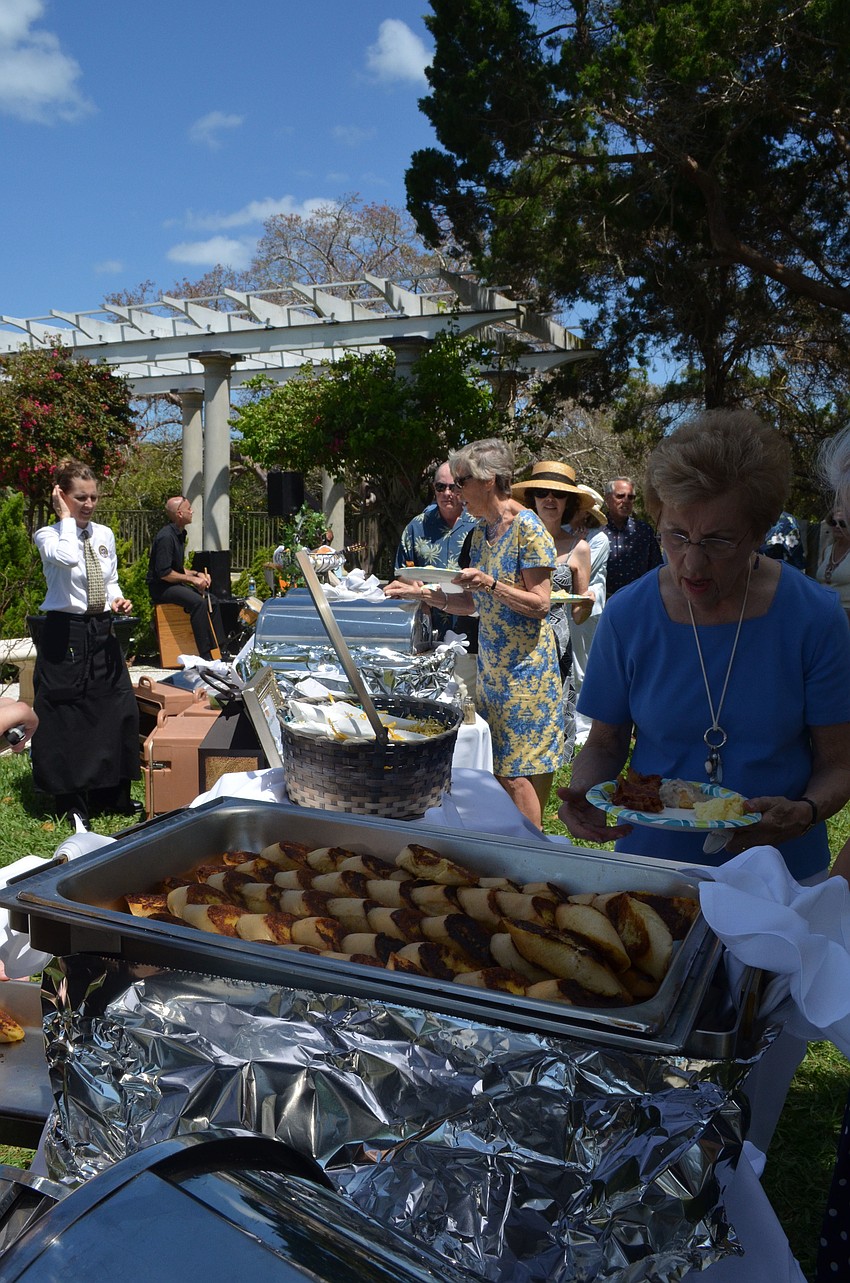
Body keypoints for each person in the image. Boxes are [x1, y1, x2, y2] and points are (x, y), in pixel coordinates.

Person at [558, 410, 850, 877]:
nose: (691, 564)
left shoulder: (813, 617)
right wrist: (585, 792)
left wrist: (807, 811)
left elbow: (840, 762)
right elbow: (606, 742)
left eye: (717, 541)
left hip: (778, 873)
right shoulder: (630, 614)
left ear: (759, 531)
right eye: (676, 536)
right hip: (653, 871)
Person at [387, 439, 563, 828]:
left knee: (517, 777)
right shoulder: (484, 532)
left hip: (526, 674)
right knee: (501, 773)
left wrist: (490, 584)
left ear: (488, 481)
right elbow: (475, 603)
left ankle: (528, 857)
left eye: (462, 481)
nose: (456, 492)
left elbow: (540, 603)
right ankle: (516, 851)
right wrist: (428, 596)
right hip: (493, 670)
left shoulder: (528, 528)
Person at [31, 459, 140, 827]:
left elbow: (109, 580)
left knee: (117, 706)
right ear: (62, 496)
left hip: (102, 628)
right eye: (80, 497)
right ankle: (72, 799)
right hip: (65, 631)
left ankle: (112, 794)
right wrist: (64, 517)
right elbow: (65, 557)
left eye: (93, 497)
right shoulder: (48, 535)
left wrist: (117, 600)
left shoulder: (104, 535)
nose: (89, 504)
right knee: (68, 714)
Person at [511, 461, 594, 757]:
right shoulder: (514, 541)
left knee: (552, 723)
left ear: (567, 503)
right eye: (542, 492)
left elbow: (578, 615)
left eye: (557, 495)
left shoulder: (579, 548)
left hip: (557, 647)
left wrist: (587, 603)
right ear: (532, 498)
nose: (549, 499)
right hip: (517, 641)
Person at [393, 462, 477, 644]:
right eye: (441, 487)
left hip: (473, 628)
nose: (447, 493)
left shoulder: (479, 524)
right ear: (434, 488)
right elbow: (401, 572)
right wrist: (410, 582)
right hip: (429, 627)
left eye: (453, 487)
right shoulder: (416, 527)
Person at [146, 496, 224, 660]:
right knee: (198, 603)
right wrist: (192, 581)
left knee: (213, 600)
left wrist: (197, 574)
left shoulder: (179, 534)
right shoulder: (166, 537)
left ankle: (219, 649)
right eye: (189, 509)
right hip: (161, 588)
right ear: (180, 514)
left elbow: (179, 569)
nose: (192, 511)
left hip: (171, 584)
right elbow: (164, 573)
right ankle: (205, 654)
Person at [566, 485, 610, 745]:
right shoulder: (563, 534)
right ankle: (566, 719)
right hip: (563, 608)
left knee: (582, 666)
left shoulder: (598, 539)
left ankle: (584, 727)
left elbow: (582, 573)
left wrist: (577, 545)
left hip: (587, 608)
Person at [603, 475, 663, 594]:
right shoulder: (595, 529)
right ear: (607, 499)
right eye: (620, 496)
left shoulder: (644, 531)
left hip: (637, 598)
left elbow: (656, 568)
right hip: (602, 602)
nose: (626, 501)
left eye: (630, 497)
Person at [815, 506, 850, 625]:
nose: (837, 526)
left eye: (843, 523)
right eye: (834, 523)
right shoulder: (828, 550)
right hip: (823, 611)